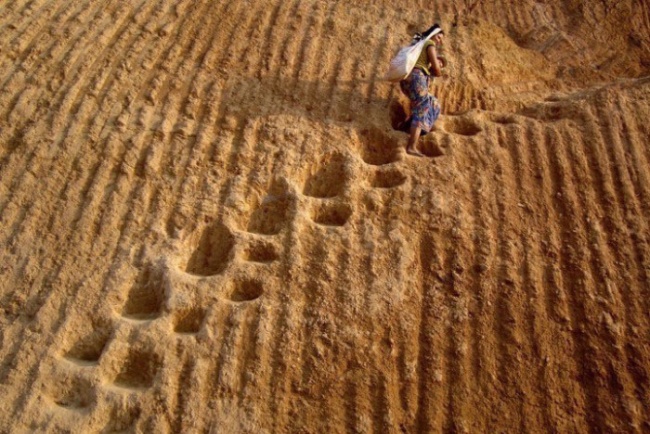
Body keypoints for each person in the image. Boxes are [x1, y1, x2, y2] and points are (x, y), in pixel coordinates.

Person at [397, 24, 446, 157]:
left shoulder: (419, 46)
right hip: (416, 77)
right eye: (439, 37)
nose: (439, 41)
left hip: (407, 79)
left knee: (431, 102)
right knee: (423, 105)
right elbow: (436, 67)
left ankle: (406, 126)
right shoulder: (429, 43)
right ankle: (411, 146)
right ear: (433, 35)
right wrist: (438, 71)